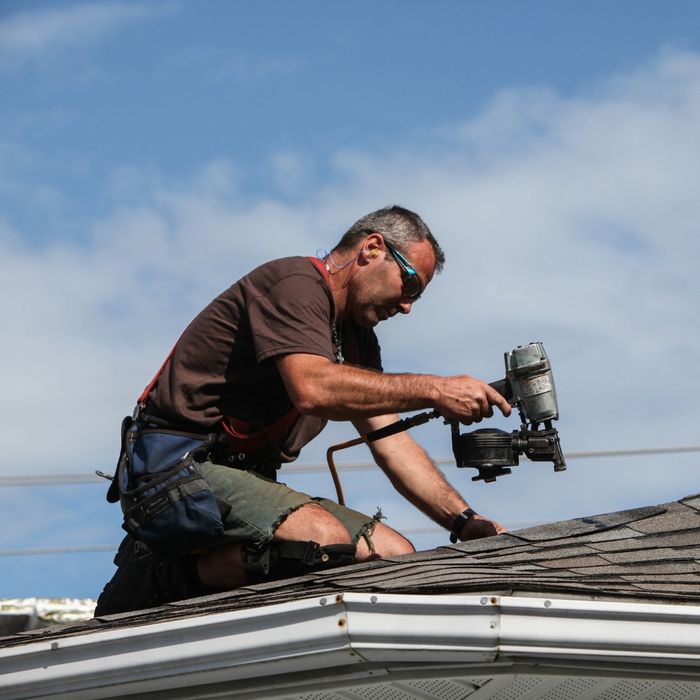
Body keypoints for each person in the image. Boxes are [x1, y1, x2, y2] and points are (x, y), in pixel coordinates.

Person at [95, 205, 511, 614]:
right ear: (371, 249)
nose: (407, 306)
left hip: (239, 479)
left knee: (390, 555)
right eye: (410, 285)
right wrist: (436, 389)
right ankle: (161, 575)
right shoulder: (295, 284)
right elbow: (312, 387)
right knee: (319, 538)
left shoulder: (357, 338)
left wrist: (463, 521)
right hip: (174, 472)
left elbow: (391, 442)